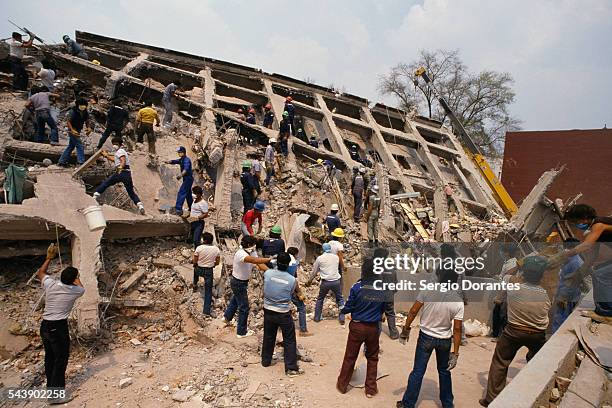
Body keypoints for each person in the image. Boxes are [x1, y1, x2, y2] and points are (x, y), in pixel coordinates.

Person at [479, 256, 551, 407]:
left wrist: (520, 263)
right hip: (538, 333)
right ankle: (532, 394)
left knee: (500, 362)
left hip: (513, 331)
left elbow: (508, 275)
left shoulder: (513, 285)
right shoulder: (546, 292)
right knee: (536, 361)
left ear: (523, 271)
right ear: (542, 275)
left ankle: (491, 399)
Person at [397, 265, 464, 408]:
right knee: (444, 372)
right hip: (445, 340)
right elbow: (457, 329)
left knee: (418, 371)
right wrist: (456, 353)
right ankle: (447, 404)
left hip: (426, 337)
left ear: (439, 277)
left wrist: (406, 330)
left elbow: (413, 311)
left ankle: (407, 404)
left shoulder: (427, 290)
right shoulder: (458, 300)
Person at [37, 243, 84, 404]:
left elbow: (41, 272)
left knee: (50, 358)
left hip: (45, 326)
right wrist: (76, 277)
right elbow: (80, 286)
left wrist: (48, 258)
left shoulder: (50, 284)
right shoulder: (76, 291)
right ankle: (56, 396)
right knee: (60, 359)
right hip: (58, 327)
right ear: (73, 280)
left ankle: (51, 390)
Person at [336, 254, 390, 398]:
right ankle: (371, 389)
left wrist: (343, 310)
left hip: (357, 327)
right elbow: (386, 308)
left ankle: (342, 386)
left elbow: (348, 307)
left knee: (350, 356)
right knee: (372, 357)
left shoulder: (357, 287)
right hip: (373, 328)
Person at [563, 204, 612, 317]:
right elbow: (590, 260)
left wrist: (566, 254)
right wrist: (576, 275)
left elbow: (586, 245)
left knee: (601, 274)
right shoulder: (595, 233)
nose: (576, 225)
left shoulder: (599, 225)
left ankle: (607, 312)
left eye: (576, 221)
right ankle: (601, 308)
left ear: (585, 218)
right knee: (597, 270)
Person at [261, 252, 305, 376]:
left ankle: (265, 360)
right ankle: (290, 367)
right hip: (283, 312)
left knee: (269, 336)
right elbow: (292, 294)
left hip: (268, 310)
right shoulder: (292, 280)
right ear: (288, 265)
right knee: (289, 339)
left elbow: (262, 266)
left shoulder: (268, 273)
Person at [223, 235, 271, 338]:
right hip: (238, 282)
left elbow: (259, 263)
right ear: (249, 245)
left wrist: (270, 272)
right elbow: (254, 261)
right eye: (253, 245)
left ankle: (227, 317)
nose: (254, 246)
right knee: (244, 307)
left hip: (242, 282)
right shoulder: (241, 254)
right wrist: (268, 259)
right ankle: (241, 332)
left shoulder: (251, 252)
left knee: (235, 300)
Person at [93, 137, 145, 215]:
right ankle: (140, 206)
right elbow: (115, 160)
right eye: (113, 144)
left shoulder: (120, 151)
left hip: (121, 171)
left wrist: (121, 166)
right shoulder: (119, 152)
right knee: (131, 192)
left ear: (120, 145)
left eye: (116, 144)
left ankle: (95, 196)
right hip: (127, 174)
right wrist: (106, 156)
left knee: (106, 183)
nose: (114, 145)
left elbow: (122, 160)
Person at [308, 243, 345, 325]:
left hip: (325, 282)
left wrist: (309, 281)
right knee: (339, 299)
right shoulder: (335, 257)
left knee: (320, 299)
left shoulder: (320, 258)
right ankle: (342, 317)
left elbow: (314, 272)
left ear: (323, 249)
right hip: (336, 281)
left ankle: (317, 317)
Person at [552, 239, 584, 333]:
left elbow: (572, 282)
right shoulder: (573, 259)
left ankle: (556, 339)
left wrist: (562, 297)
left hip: (567, 295)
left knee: (561, 318)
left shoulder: (575, 262)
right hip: (567, 293)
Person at [491, 244, 519, 340]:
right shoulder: (507, 262)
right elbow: (503, 277)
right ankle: (496, 334)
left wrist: (500, 296)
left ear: (507, 252)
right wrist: (498, 277)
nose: (501, 253)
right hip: (503, 291)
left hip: (506, 293)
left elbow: (507, 279)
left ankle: (500, 336)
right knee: (498, 313)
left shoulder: (513, 263)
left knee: (503, 315)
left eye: (502, 251)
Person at [193, 232, 220, 316]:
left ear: (204, 240)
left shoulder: (199, 248)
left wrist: (195, 264)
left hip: (199, 269)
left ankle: (194, 284)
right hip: (209, 271)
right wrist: (213, 264)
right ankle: (206, 311)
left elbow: (195, 260)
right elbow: (218, 262)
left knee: (195, 269)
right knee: (208, 291)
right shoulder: (216, 249)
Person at [58, 98, 91, 167]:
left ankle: (62, 161)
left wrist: (88, 127)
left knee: (71, 146)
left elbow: (87, 120)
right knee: (80, 145)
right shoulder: (73, 111)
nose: (83, 106)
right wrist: (72, 130)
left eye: (84, 105)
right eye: (81, 105)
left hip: (78, 129)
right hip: (72, 129)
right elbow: (68, 121)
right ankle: (80, 162)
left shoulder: (85, 112)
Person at [286, 247, 311, 336]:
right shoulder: (293, 264)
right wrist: (299, 292)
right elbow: (294, 280)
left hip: (280, 288)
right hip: (290, 288)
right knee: (302, 307)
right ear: (295, 254)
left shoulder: (282, 261)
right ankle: (303, 330)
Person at [166, 146, 194, 216]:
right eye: (178, 152)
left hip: (188, 179)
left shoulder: (187, 160)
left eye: (180, 152)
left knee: (182, 192)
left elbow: (186, 169)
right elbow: (176, 161)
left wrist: (181, 175)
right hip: (187, 179)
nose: (178, 153)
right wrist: (169, 162)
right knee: (188, 195)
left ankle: (178, 209)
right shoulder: (182, 159)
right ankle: (192, 208)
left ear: (183, 152)